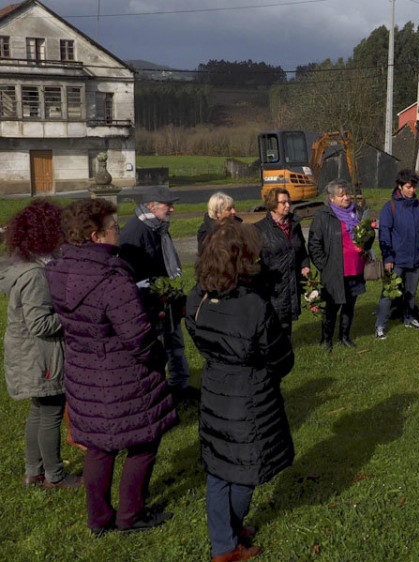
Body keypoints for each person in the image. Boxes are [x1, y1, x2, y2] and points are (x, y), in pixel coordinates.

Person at [45, 198, 177, 535]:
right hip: (123, 375)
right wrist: (158, 357)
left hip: (83, 371)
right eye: (113, 226)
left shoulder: (59, 270)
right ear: (95, 236)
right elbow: (137, 337)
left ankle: (99, 518)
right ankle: (130, 515)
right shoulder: (111, 279)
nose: (118, 230)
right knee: (144, 442)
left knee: (99, 446)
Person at [185, 221, 294, 562]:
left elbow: (199, 336)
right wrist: (265, 374)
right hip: (248, 395)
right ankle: (228, 541)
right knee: (244, 469)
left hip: (216, 388)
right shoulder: (252, 305)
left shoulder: (196, 297)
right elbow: (279, 356)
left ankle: (225, 538)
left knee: (220, 468)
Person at [0, 199, 81, 490]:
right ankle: (54, 476)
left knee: (39, 410)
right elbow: (41, 324)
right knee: (50, 413)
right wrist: (72, 315)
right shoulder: (35, 275)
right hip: (40, 356)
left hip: (29, 354)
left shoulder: (25, 264)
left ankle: (33, 472)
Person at [119, 185, 192, 397]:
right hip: (149, 304)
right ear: (152, 206)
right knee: (157, 350)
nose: (172, 210)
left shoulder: (157, 228)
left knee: (175, 343)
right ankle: (158, 393)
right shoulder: (135, 232)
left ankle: (180, 387)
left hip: (165, 299)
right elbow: (128, 275)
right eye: (169, 205)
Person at [308, 179, 371, 351]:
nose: (346, 198)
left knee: (349, 306)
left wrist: (368, 238)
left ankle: (344, 337)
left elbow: (367, 237)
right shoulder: (323, 216)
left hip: (355, 269)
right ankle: (326, 340)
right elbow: (314, 245)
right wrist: (325, 266)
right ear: (331, 198)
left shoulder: (356, 212)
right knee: (331, 307)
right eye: (341, 195)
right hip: (335, 271)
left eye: (347, 194)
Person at [375, 168, 419, 339]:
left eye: (414, 187)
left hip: (415, 258)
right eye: (408, 187)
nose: (412, 190)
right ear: (399, 186)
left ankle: (409, 318)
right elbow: (384, 234)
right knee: (388, 294)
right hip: (396, 260)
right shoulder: (389, 207)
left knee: (410, 293)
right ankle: (380, 325)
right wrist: (388, 257)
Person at [254, 187, 310, 333]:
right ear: (273, 204)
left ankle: (285, 349)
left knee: (287, 321)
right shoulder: (260, 229)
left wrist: (305, 266)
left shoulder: (294, 225)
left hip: (291, 281)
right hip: (273, 285)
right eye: (283, 202)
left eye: (288, 201)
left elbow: (301, 250)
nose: (288, 205)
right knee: (272, 322)